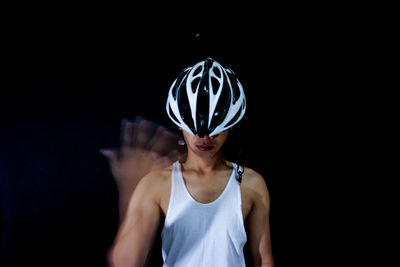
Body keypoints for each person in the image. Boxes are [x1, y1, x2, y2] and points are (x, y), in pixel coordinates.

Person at [103, 58, 274, 267]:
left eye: (216, 127)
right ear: (180, 125)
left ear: (231, 124)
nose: (205, 137)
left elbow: (264, 260)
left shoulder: (251, 183)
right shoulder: (158, 183)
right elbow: (126, 263)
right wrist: (130, 188)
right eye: (194, 127)